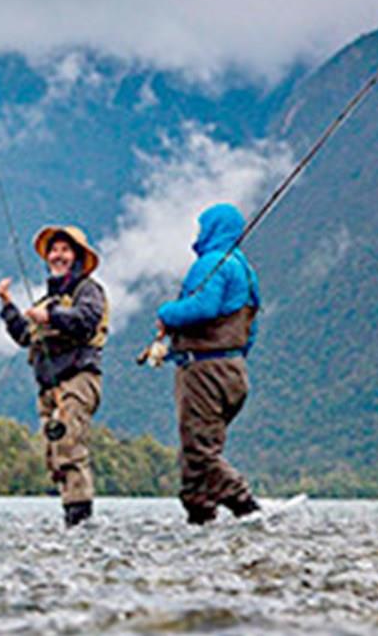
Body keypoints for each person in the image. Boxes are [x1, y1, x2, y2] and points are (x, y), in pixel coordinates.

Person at [155, 203, 261, 525]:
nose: (198, 234)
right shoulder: (245, 271)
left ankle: (247, 507)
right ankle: (199, 517)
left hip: (204, 372)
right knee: (196, 450)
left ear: (215, 229)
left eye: (202, 227)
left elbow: (204, 306)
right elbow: (251, 329)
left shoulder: (212, 263)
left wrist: (166, 313)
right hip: (234, 371)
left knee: (200, 453)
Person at [0, 225, 108, 527]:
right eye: (54, 250)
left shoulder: (88, 290)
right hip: (49, 387)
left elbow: (86, 319)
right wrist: (7, 306)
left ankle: (80, 521)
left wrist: (51, 316)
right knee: (55, 454)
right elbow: (24, 336)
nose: (58, 256)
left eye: (65, 250)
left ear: (77, 256)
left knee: (70, 445)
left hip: (78, 378)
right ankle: (72, 517)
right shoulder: (47, 300)